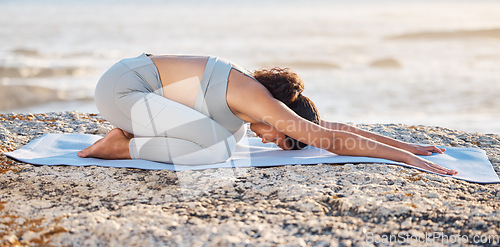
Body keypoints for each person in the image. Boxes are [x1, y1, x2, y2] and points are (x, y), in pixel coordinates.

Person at [78, 53, 458, 175]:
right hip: (123, 90)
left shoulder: (250, 106)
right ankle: (118, 148)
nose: (277, 141)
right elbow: (329, 140)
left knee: (231, 136)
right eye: (285, 137)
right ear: (281, 114)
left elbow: (327, 127)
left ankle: (126, 137)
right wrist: (405, 159)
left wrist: (402, 142)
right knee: (216, 149)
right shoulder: (257, 99)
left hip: (133, 89)